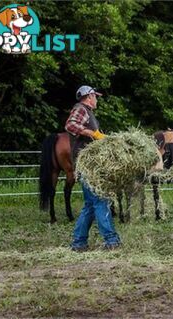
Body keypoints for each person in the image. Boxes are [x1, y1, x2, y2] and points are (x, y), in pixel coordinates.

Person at [65, 85, 121, 251]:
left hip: (89, 165)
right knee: (100, 200)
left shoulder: (88, 113)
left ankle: (79, 243)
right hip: (87, 166)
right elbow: (70, 125)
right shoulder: (81, 109)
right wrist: (91, 133)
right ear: (89, 96)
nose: (96, 99)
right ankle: (111, 241)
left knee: (90, 205)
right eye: (95, 96)